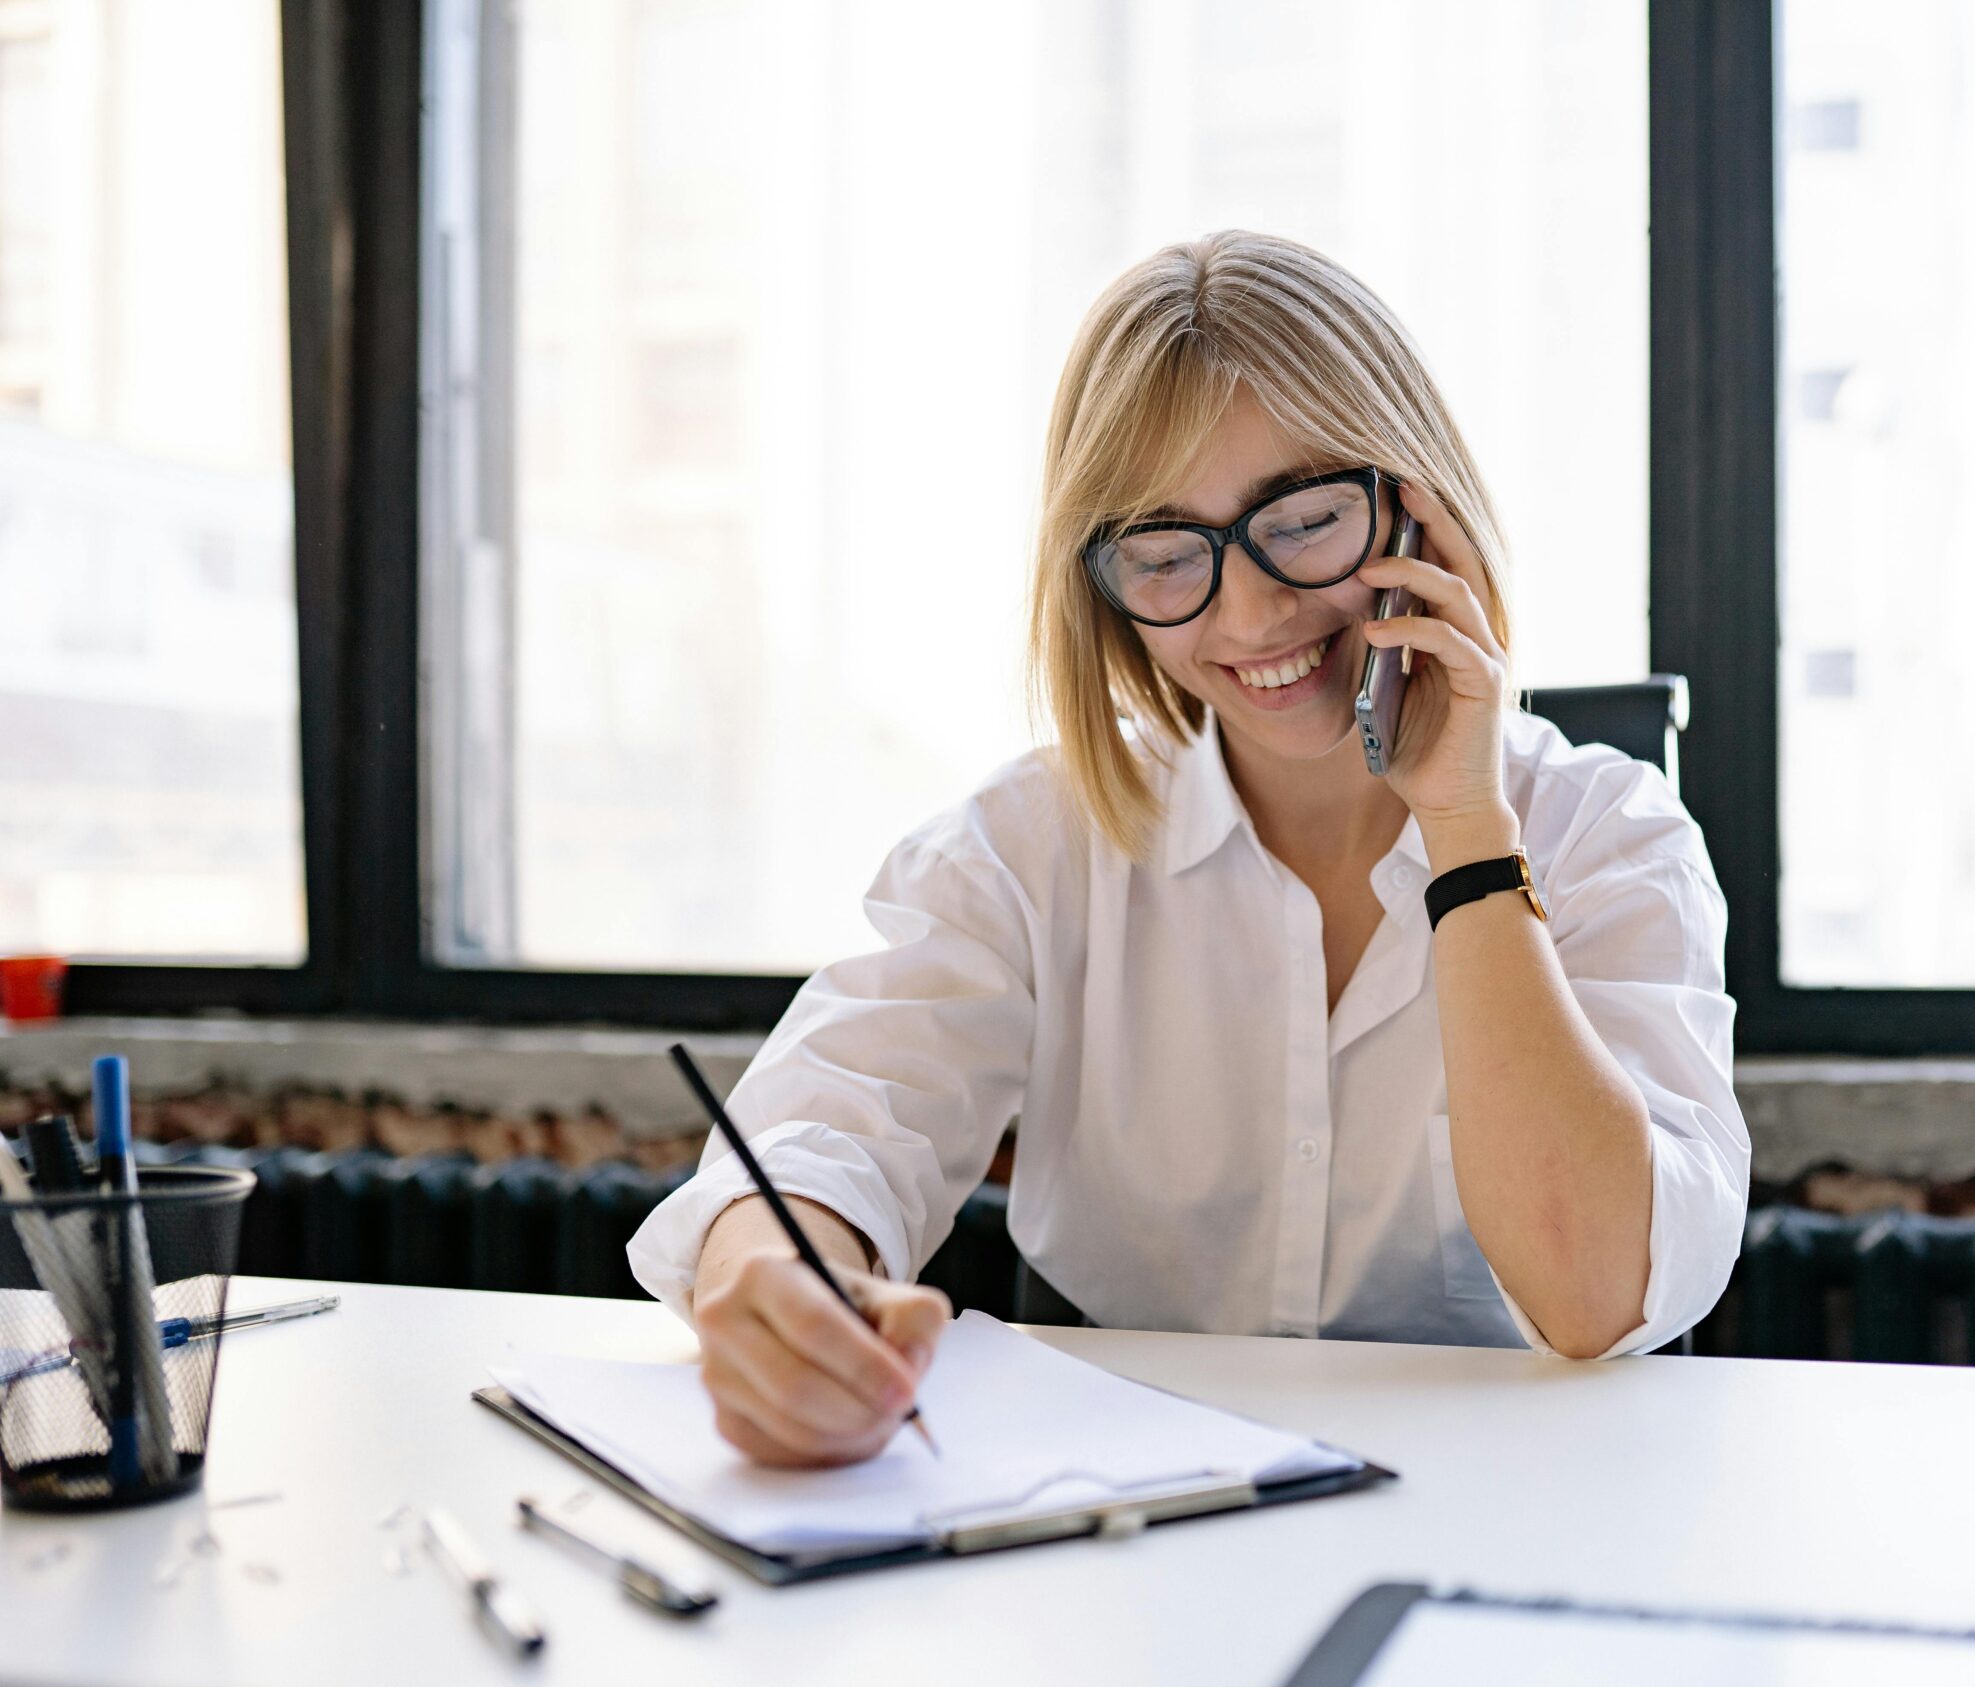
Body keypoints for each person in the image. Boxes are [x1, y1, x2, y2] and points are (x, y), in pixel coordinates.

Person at [629, 231, 1749, 1468]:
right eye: (1168, 557)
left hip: (1503, 1509)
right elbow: (830, 1127)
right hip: (1132, 1524)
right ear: (1103, 584)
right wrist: (781, 1282)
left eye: (1307, 520)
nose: (1254, 613)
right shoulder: (1029, 846)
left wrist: (1466, 833)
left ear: (1416, 505)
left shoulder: (1608, 835)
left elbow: (1597, 1295)